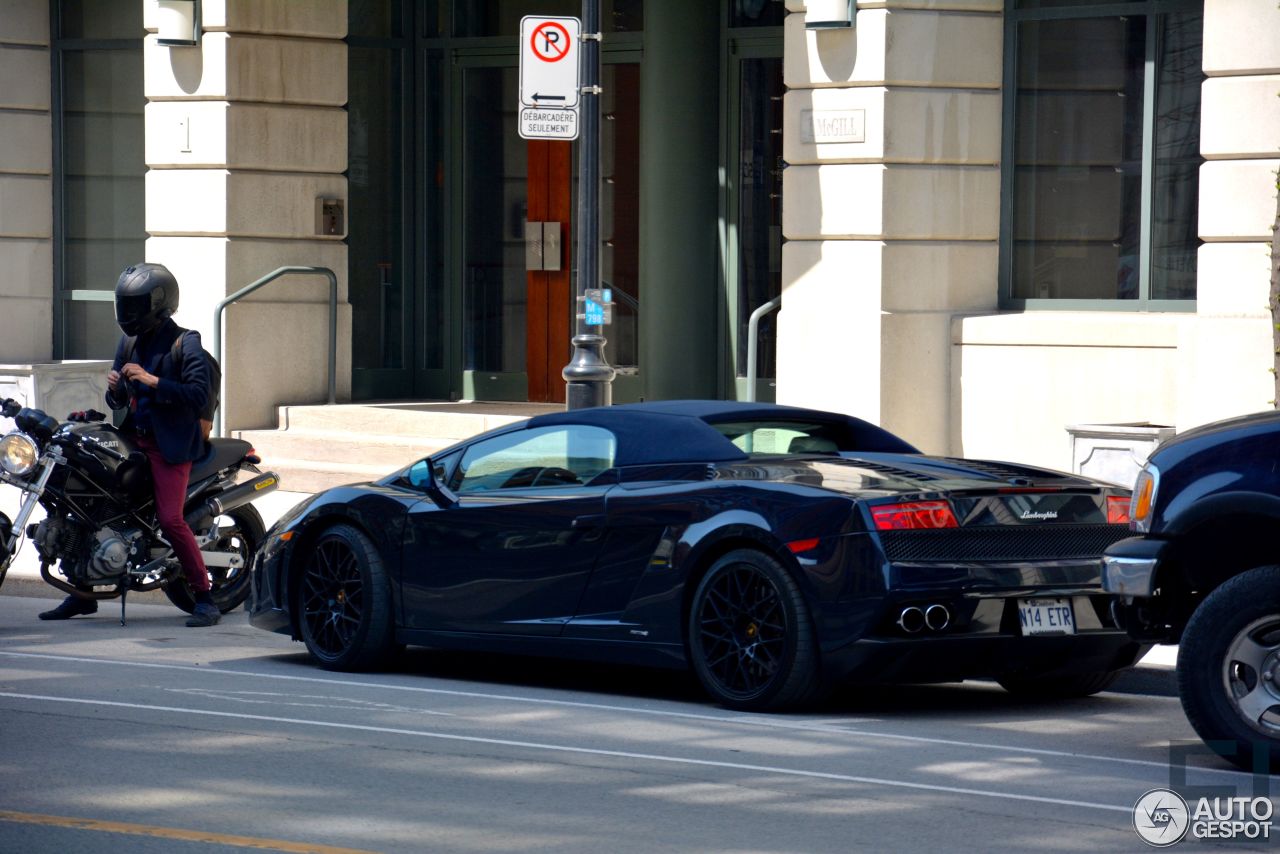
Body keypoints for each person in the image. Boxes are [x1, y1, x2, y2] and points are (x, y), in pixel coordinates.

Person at [39, 262, 220, 627]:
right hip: (132, 439)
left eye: (136, 306)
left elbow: (198, 393)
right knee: (93, 505)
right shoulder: (130, 341)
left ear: (160, 303)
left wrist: (153, 381)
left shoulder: (187, 341)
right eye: (125, 305)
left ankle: (204, 596)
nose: (129, 314)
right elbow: (118, 403)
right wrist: (116, 388)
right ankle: (82, 594)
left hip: (169, 445)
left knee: (171, 520)